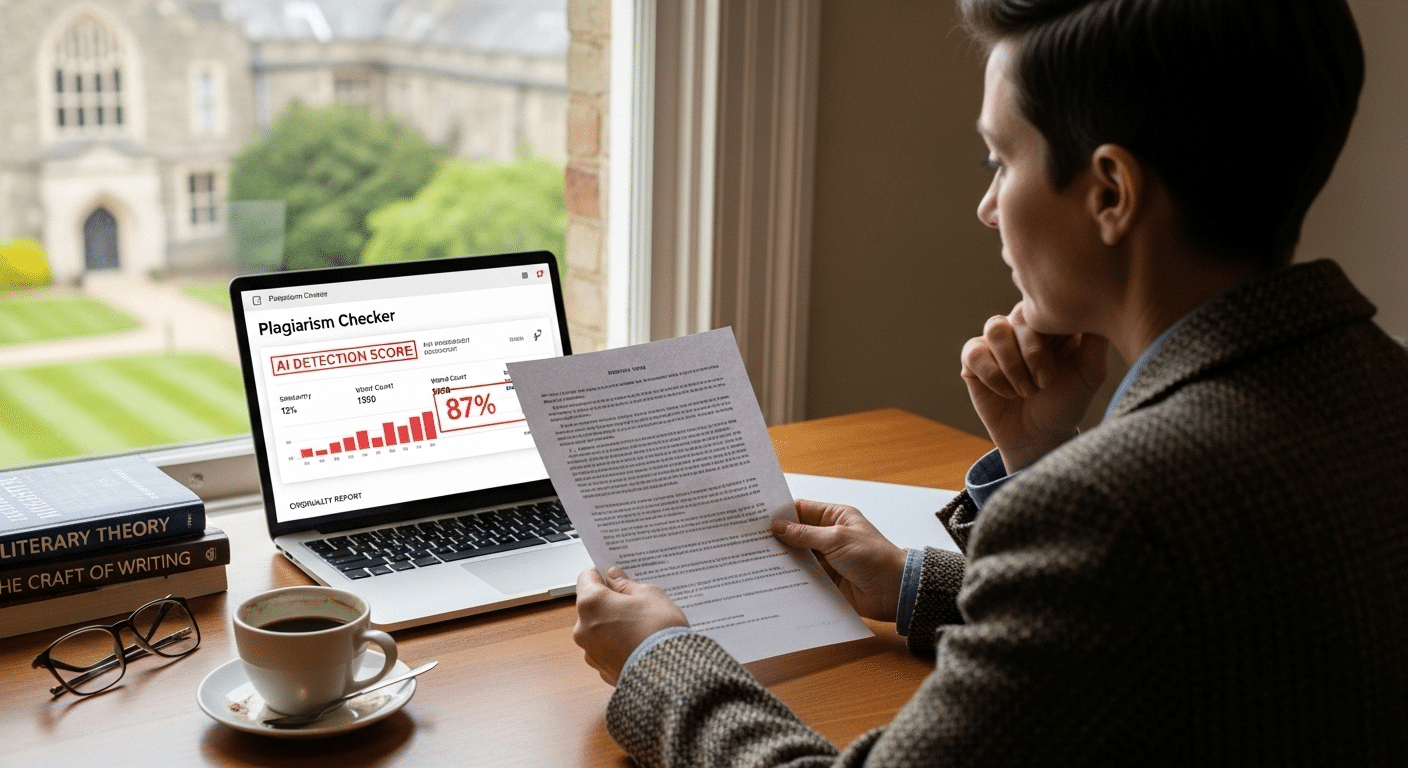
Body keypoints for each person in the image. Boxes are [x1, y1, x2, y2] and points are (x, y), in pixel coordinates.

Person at [572, 0, 1408, 764]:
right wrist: (1012, 485)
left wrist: (658, 656)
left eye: (999, 159)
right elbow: (1175, 635)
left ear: (1111, 192)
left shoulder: (1114, 513)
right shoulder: (1378, 383)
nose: (986, 206)